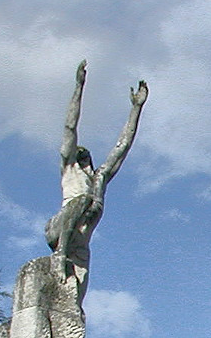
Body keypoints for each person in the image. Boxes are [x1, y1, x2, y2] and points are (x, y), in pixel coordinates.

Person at [44, 61, 147, 303]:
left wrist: (136, 109)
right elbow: (70, 126)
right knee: (82, 200)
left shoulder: (99, 178)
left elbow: (123, 146)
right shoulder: (70, 169)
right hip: (59, 230)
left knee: (74, 296)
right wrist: (79, 86)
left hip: (81, 239)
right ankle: (59, 255)